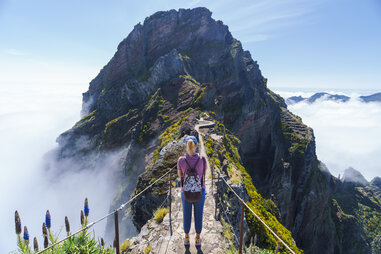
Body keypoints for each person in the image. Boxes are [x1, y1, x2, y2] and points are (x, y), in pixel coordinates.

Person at [177, 135, 206, 247]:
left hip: (186, 192)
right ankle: (197, 239)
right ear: (196, 145)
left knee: (186, 214)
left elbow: (180, 176)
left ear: (186, 145)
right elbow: (203, 174)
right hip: (200, 191)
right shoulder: (202, 160)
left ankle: (187, 238)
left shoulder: (181, 160)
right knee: (199, 214)